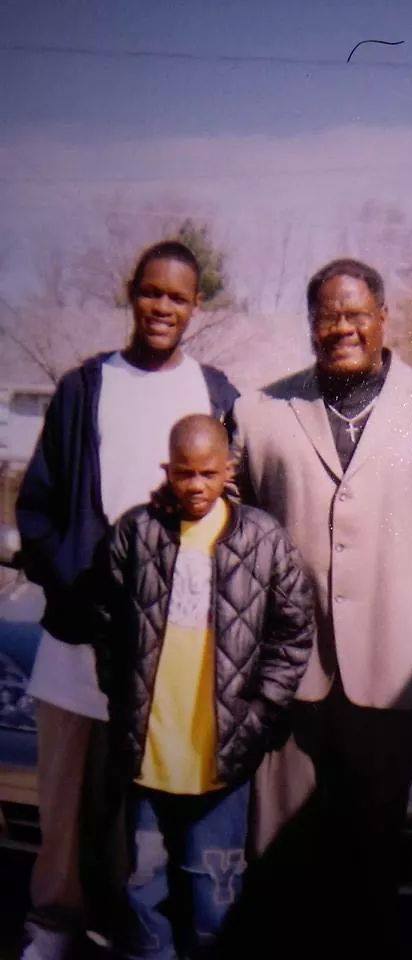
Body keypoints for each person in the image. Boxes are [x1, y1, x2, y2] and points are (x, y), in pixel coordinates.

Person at [231, 258, 412, 953]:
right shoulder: (260, 413)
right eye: (327, 315)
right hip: (286, 674)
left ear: (383, 318)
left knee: (371, 855)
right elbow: (226, 534)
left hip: (393, 666)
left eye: (356, 313)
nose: (342, 328)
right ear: (311, 324)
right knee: (277, 855)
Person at [16, 241, 239, 960]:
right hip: (81, 635)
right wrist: (72, 591)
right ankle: (52, 922)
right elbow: (40, 508)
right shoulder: (86, 388)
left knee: (147, 807)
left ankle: (131, 929)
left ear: (194, 307)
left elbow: (237, 513)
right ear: (131, 293)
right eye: (151, 293)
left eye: (177, 297)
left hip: (172, 651)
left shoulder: (215, 394)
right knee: (67, 797)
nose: (162, 308)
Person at [92, 414, 314, 959]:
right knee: (143, 886)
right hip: (148, 751)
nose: (195, 487)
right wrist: (123, 701)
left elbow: (294, 632)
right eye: (184, 474)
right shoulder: (137, 532)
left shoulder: (263, 538)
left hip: (223, 754)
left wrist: (260, 714)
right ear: (168, 470)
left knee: (214, 889)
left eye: (208, 474)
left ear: (229, 469)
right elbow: (106, 620)